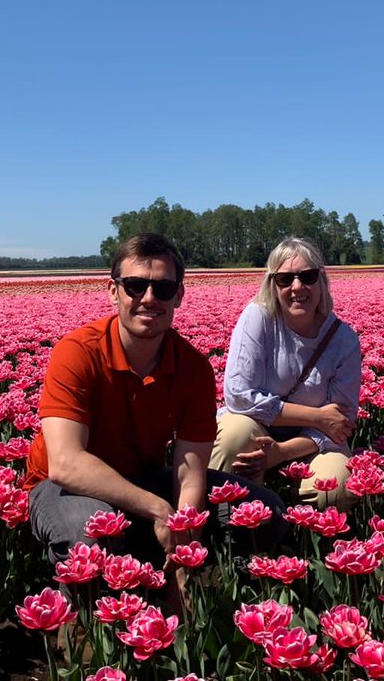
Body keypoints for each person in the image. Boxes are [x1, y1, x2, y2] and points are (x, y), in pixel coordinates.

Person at [24, 232, 284, 571]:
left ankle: (197, 579)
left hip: (142, 479)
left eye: (162, 288)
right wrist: (158, 510)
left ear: (178, 296)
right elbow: (66, 464)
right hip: (65, 487)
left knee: (268, 511)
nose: (149, 298)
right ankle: (84, 616)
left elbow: (190, 474)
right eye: (134, 286)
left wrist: (184, 534)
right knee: (90, 534)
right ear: (113, 290)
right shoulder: (78, 352)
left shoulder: (192, 368)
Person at [210, 237, 363, 510]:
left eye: (307, 276)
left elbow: (340, 424)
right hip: (256, 427)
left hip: (314, 442)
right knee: (234, 435)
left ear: (321, 281)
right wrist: (316, 416)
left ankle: (305, 542)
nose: (297, 287)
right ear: (272, 283)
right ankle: (230, 528)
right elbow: (239, 397)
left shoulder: (344, 339)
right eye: (285, 279)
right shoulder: (258, 317)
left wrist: (281, 453)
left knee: (334, 487)